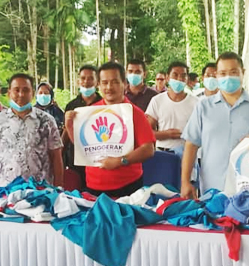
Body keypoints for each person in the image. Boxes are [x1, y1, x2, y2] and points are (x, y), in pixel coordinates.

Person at [181, 52, 249, 198]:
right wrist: (185, 181)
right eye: (223, 73)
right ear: (216, 75)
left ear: (243, 73)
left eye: (233, 72)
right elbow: (191, 144)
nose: (228, 77)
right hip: (212, 188)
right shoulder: (203, 107)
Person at [64, 61, 156, 197]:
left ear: (124, 84)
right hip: (93, 185)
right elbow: (83, 147)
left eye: (114, 82)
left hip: (127, 186)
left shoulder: (135, 113)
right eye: (104, 82)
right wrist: (69, 126)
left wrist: (120, 161)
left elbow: (148, 149)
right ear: (98, 85)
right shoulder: (90, 112)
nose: (109, 87)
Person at [0, 74, 64, 188]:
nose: (21, 94)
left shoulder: (47, 121)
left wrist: (58, 188)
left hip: (40, 190)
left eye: (26, 90)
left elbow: (56, 156)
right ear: (9, 93)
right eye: (16, 90)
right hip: (7, 190)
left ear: (32, 94)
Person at [146, 61, 200, 151]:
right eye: (175, 75)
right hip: (163, 152)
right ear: (167, 78)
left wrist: (187, 135)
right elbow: (147, 132)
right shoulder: (157, 100)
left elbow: (201, 131)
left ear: (187, 79)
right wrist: (166, 134)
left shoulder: (196, 103)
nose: (179, 79)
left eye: (183, 76)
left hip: (188, 152)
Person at [63, 65, 102, 183]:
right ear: (78, 81)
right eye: (83, 78)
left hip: (98, 159)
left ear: (97, 82)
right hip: (76, 160)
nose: (86, 81)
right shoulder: (71, 105)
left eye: (90, 78)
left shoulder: (104, 105)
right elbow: (66, 132)